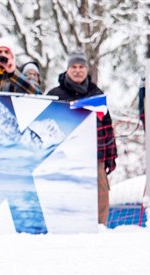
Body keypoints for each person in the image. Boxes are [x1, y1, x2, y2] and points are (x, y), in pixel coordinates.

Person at [46, 50, 117, 226]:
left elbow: (107, 126)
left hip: (95, 155)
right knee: (64, 193)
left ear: (86, 70)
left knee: (101, 194)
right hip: (65, 156)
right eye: (74, 67)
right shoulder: (55, 94)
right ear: (67, 69)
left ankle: (100, 228)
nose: (77, 70)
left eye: (81, 67)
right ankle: (62, 226)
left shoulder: (96, 93)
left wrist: (110, 155)